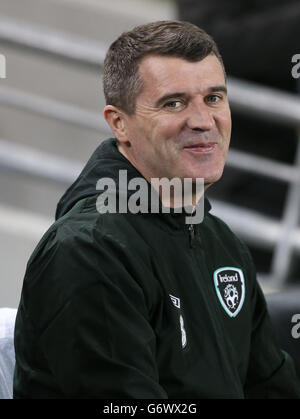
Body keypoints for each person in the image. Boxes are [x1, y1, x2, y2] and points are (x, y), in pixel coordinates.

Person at [13, 20, 300, 399]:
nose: (202, 121)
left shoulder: (221, 241)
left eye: (214, 98)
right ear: (119, 124)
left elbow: (272, 388)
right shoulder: (88, 250)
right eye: (173, 103)